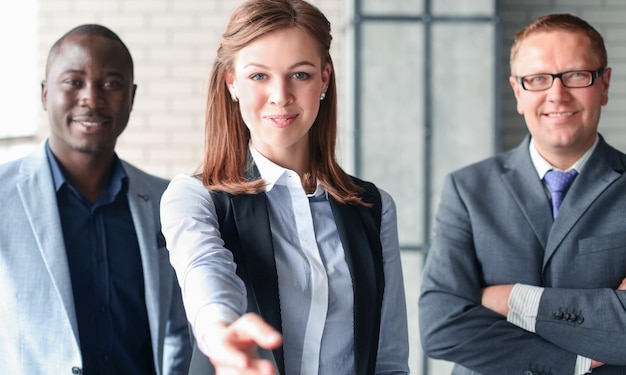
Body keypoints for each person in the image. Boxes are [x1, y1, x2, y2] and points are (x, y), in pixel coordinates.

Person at [160, 0, 410, 374]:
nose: (280, 95)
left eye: (300, 75)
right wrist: (221, 331)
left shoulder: (374, 208)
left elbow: (387, 359)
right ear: (232, 82)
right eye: (259, 76)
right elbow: (205, 273)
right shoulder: (194, 198)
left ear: (325, 79)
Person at [419, 13, 626, 375]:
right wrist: (573, 359)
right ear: (518, 91)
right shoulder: (467, 189)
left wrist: (512, 298)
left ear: (604, 84)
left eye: (576, 75)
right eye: (538, 79)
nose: (557, 95)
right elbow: (441, 327)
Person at [0, 24, 191, 374]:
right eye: (73, 81)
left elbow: (182, 327)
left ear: (131, 97)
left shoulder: (167, 201)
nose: (92, 98)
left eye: (111, 84)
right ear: (45, 94)